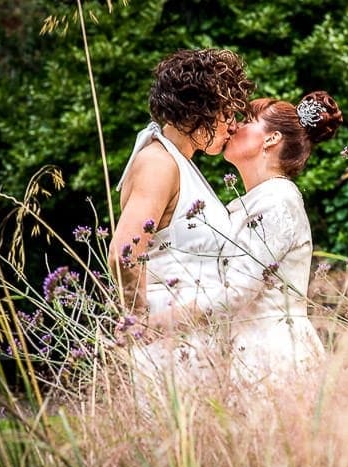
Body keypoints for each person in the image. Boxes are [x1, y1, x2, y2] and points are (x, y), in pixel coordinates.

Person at [108, 48, 254, 324]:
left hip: (195, 334)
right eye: (228, 114)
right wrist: (139, 323)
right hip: (165, 332)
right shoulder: (158, 163)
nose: (233, 127)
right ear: (198, 111)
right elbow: (123, 254)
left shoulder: (181, 163)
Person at [220, 91, 342, 386]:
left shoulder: (278, 201)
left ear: (271, 139)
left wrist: (162, 317)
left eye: (248, 121)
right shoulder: (259, 199)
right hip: (251, 350)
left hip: (275, 357)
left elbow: (237, 290)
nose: (234, 126)